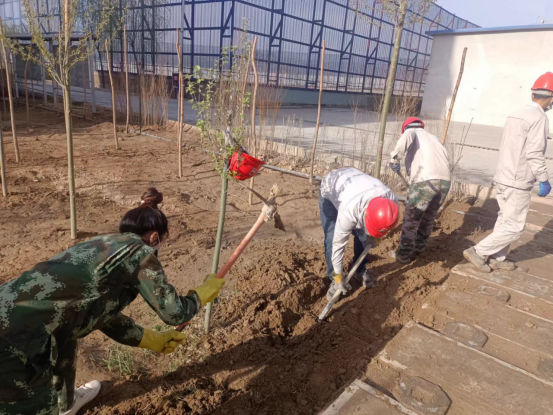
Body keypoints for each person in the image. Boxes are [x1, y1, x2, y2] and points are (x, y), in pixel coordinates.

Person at [0, 188, 225, 415]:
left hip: (14, 309)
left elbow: (96, 312)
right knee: (31, 403)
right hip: (15, 341)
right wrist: (202, 294)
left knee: (66, 335)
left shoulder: (101, 244)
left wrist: (149, 339)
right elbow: (174, 313)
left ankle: (66, 404)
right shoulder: (140, 252)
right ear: (155, 237)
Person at [464, 73, 553, 272]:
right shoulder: (539, 118)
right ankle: (478, 251)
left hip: (503, 175)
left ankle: (497, 257)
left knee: (505, 220)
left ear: (532, 94)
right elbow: (534, 153)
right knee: (514, 227)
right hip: (518, 180)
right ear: (551, 98)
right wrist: (543, 178)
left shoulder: (516, 113)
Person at [319, 167, 399, 299]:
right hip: (331, 188)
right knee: (331, 239)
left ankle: (360, 270)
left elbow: (385, 224)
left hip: (356, 186)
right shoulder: (349, 212)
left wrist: (375, 237)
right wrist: (338, 277)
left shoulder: (391, 202)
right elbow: (338, 244)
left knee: (363, 237)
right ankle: (335, 280)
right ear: (366, 214)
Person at [389, 117, 451, 263]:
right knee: (429, 217)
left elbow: (406, 138)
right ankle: (419, 248)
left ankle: (403, 254)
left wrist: (395, 158)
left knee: (412, 219)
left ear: (406, 127)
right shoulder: (433, 138)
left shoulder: (411, 132)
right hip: (445, 181)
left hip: (425, 181)